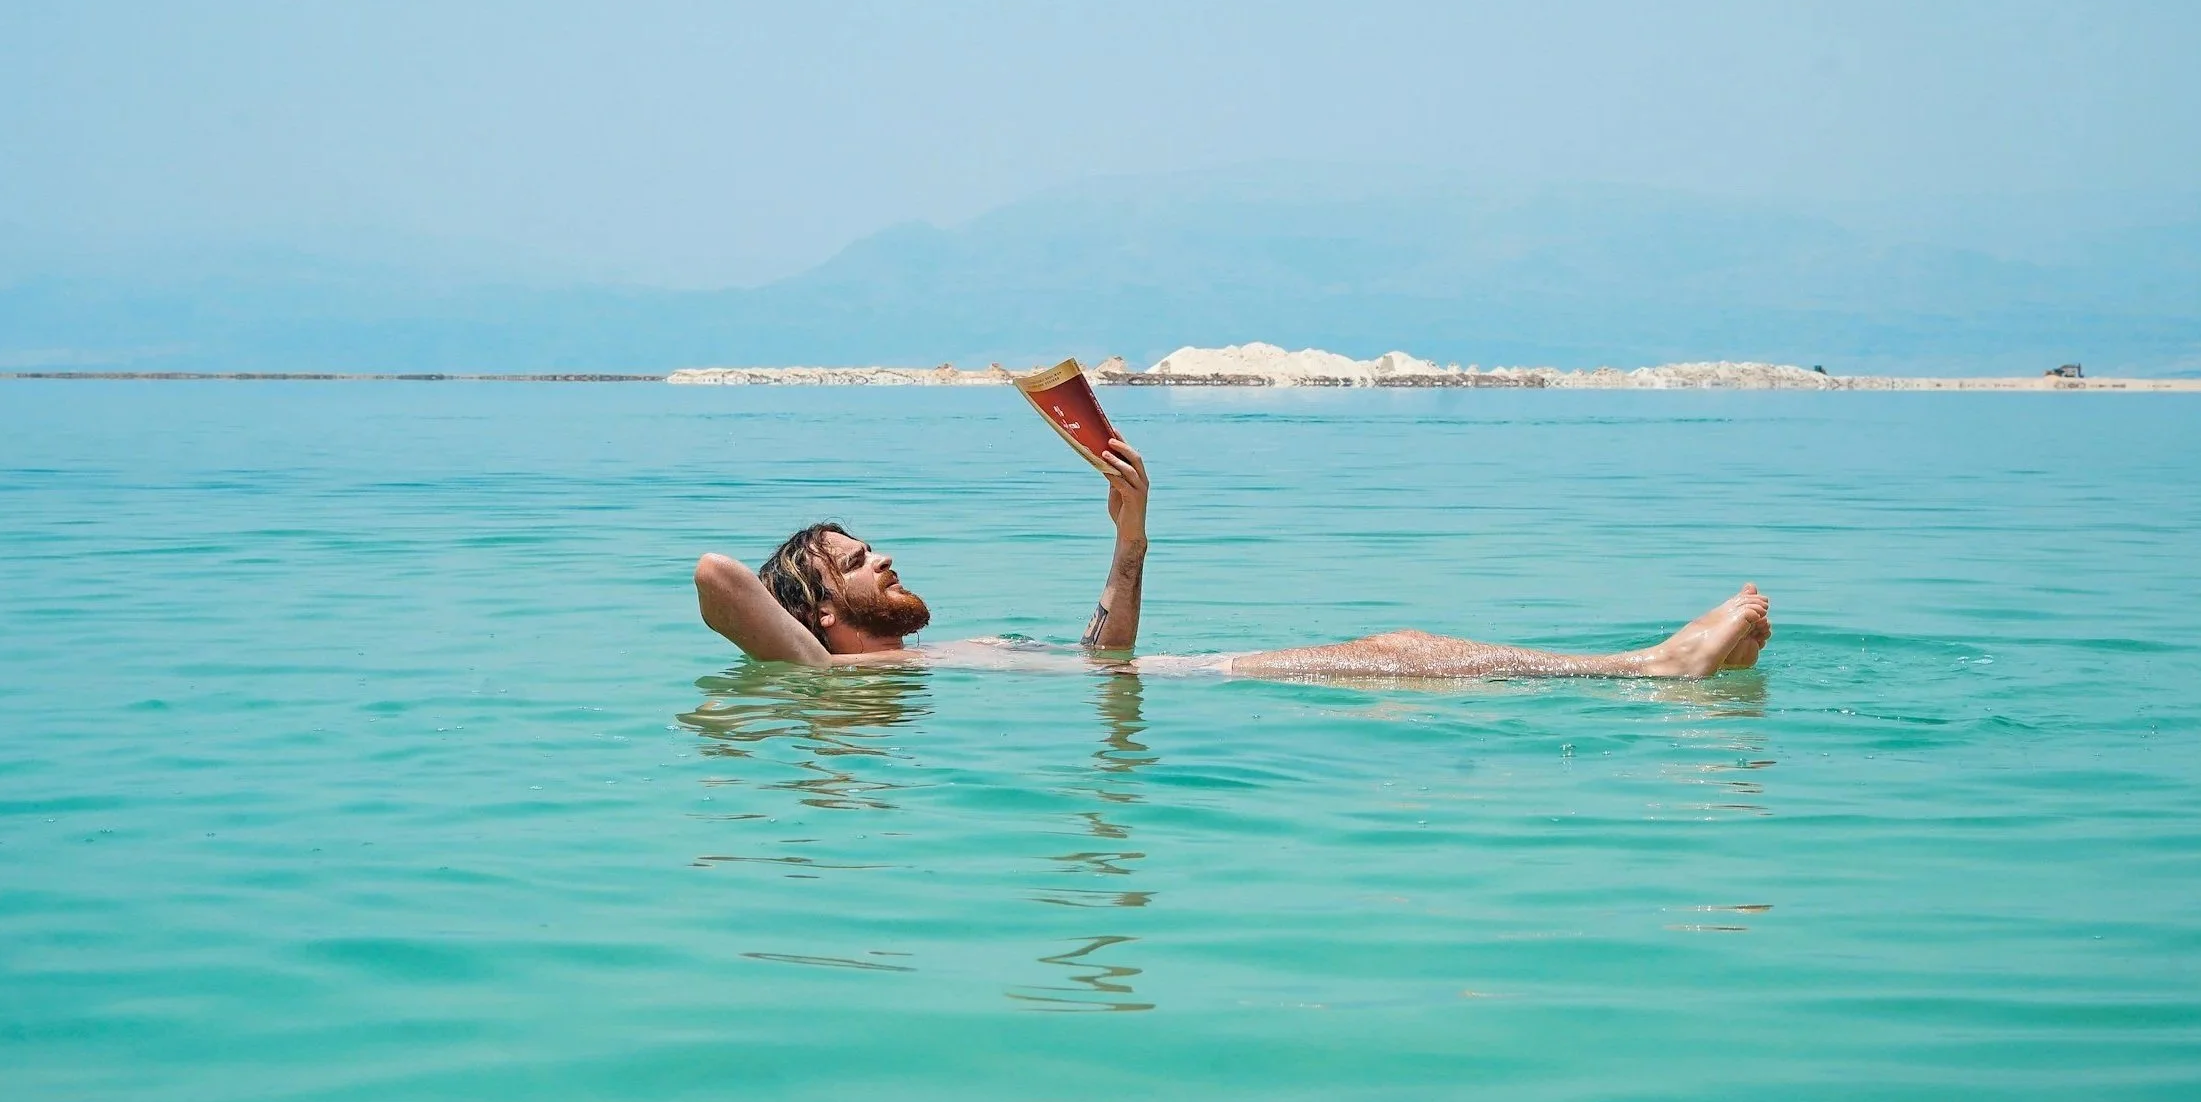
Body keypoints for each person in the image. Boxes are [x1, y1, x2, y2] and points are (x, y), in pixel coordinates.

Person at [692, 437, 1771, 681]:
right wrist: (807, 643)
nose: (884, 555)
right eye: (855, 558)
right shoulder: (830, 677)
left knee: (1397, 653)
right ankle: (1651, 669)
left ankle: (1646, 667)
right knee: (1399, 653)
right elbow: (716, 574)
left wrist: (1130, 532)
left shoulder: (890, 674)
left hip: (1147, 681)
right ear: (819, 607)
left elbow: (1097, 657)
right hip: (1192, 688)